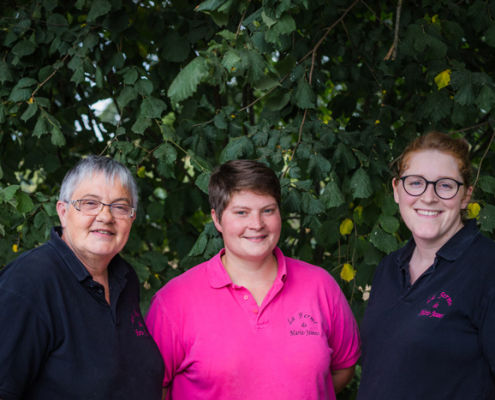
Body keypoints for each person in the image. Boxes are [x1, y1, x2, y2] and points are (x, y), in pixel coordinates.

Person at [146, 159, 361, 400]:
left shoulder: (321, 286)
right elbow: (154, 389)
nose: (257, 224)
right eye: (241, 212)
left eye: (267, 210)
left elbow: (342, 369)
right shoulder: (174, 301)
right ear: (217, 219)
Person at [0, 155, 164, 400]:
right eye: (90, 203)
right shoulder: (28, 283)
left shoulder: (125, 277)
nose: (106, 217)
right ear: (63, 212)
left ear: (131, 218)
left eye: (119, 207)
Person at [358, 131, 495, 399]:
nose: (429, 197)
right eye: (416, 183)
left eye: (445, 185)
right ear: (397, 190)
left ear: (465, 195)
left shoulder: (488, 268)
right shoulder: (388, 267)